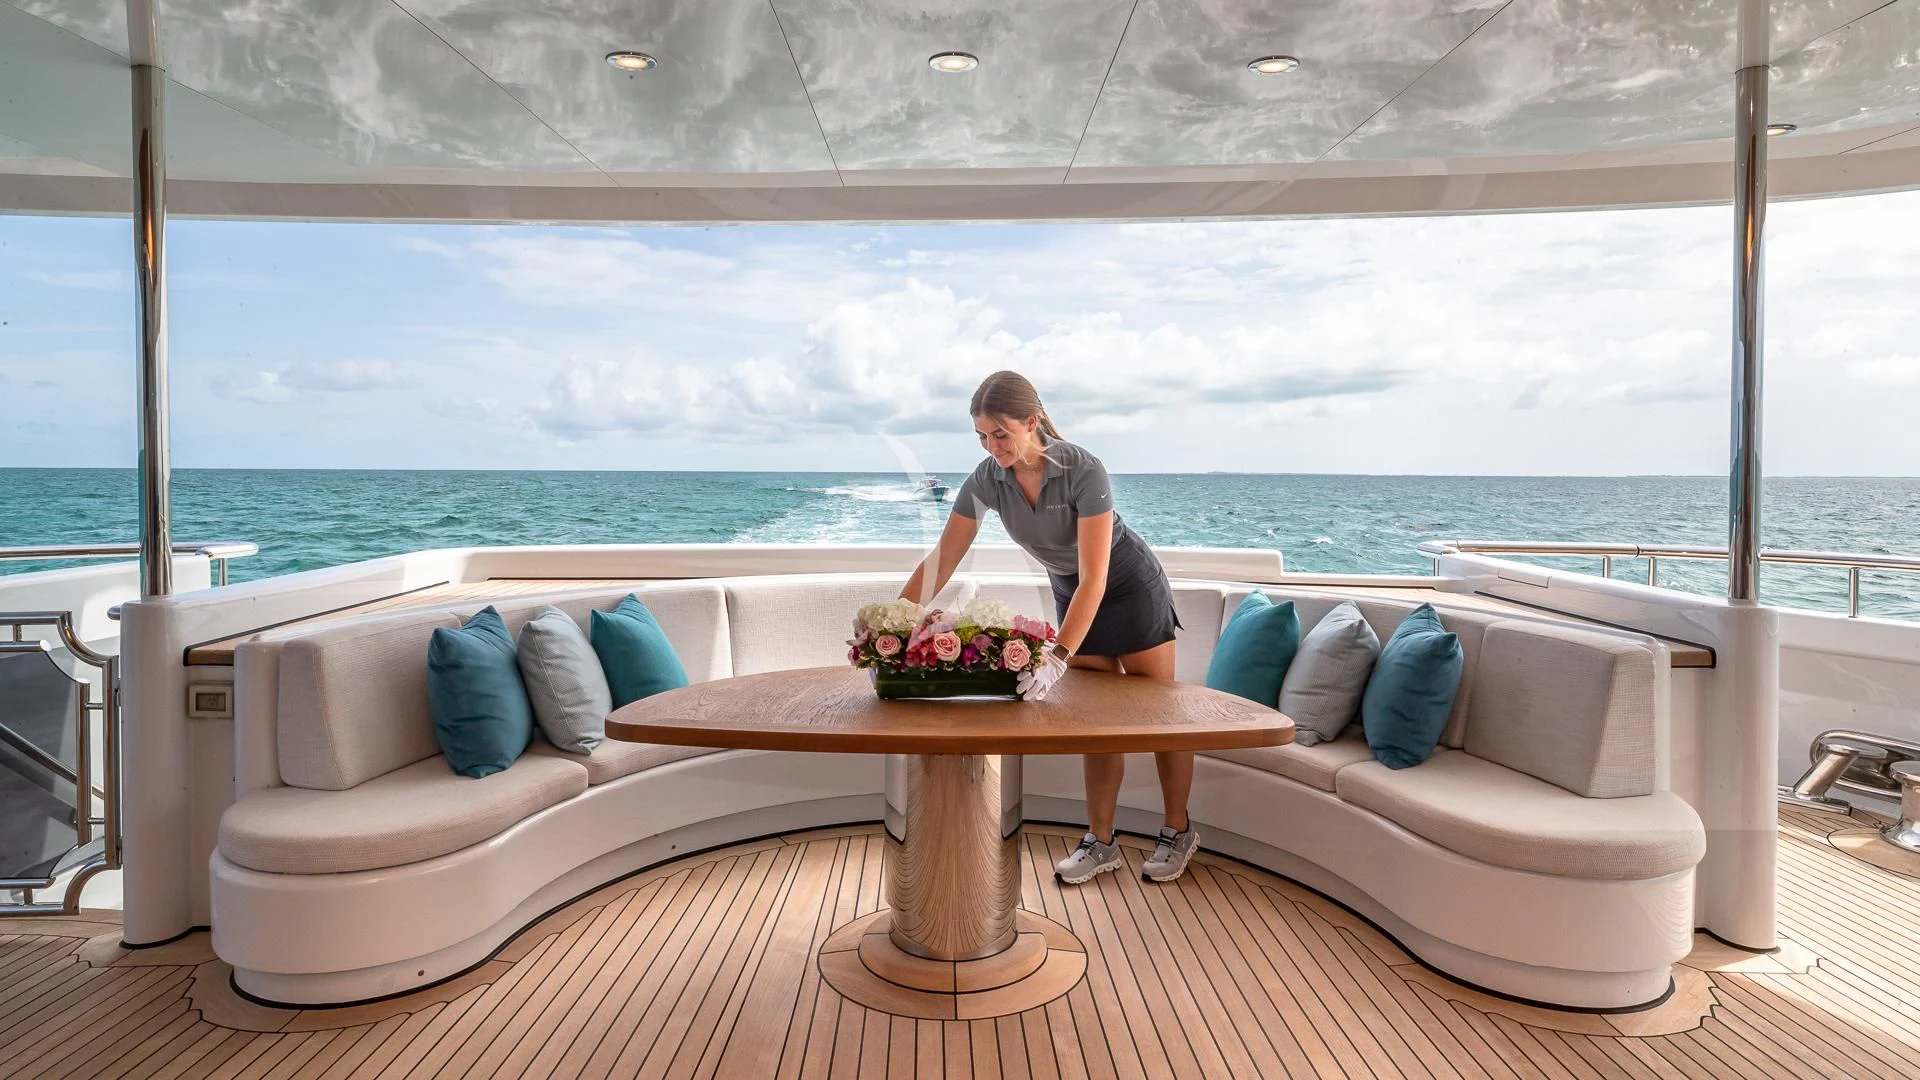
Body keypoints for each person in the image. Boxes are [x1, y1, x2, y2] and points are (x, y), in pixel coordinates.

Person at [897, 370, 1196, 885]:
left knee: (1160, 718)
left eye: (1001, 434)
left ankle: (1178, 830)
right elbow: (944, 555)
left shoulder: (1083, 468)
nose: (992, 447)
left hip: (1126, 586)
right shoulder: (988, 478)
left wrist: (1056, 657)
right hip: (1071, 589)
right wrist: (896, 620)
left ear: (1032, 422)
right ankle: (1100, 843)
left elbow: (1096, 576)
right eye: (983, 437)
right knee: (1098, 726)